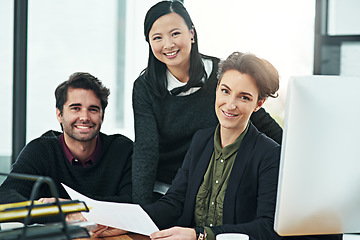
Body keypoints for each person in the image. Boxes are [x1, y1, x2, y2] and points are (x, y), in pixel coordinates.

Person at [132, 0, 283, 205]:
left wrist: (296, 157)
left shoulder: (221, 76)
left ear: (191, 34)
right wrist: (140, 211)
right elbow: (145, 152)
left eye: (175, 33)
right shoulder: (145, 87)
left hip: (213, 185)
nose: (168, 44)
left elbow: (261, 122)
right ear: (149, 42)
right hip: (166, 189)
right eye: (157, 37)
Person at [141, 51, 281, 240]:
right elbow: (174, 202)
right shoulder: (200, 141)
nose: (230, 105)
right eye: (225, 91)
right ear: (216, 90)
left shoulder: (269, 154)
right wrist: (125, 222)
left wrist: (201, 235)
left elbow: (266, 228)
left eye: (244, 97)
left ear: (258, 104)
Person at [0, 72, 133, 221]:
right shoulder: (40, 150)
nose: (84, 117)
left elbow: (133, 205)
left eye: (93, 109)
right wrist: (64, 213)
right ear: (59, 114)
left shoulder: (123, 150)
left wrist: (70, 207)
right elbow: (5, 198)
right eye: (75, 108)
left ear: (102, 115)